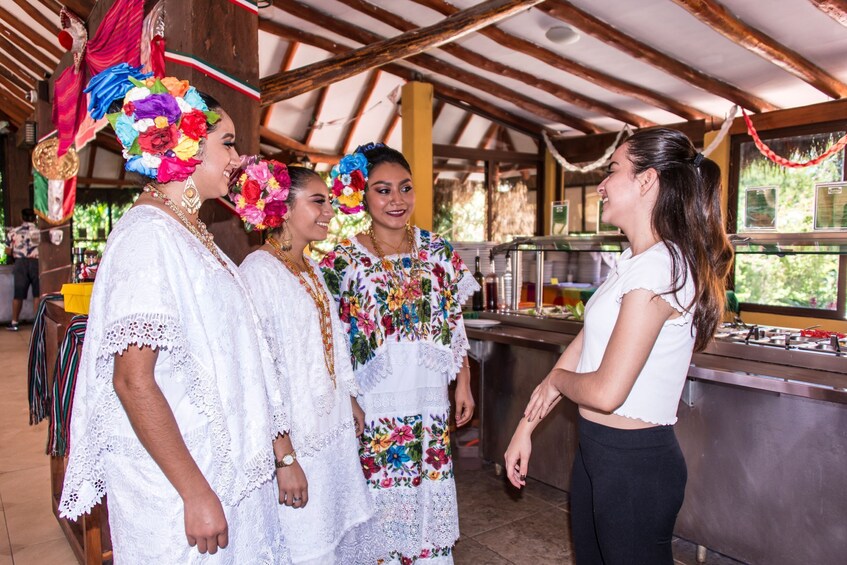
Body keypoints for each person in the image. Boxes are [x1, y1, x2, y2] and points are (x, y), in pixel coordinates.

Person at [59, 65, 289, 563]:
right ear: (186, 145)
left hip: (220, 469)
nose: (237, 158)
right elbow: (133, 381)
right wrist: (195, 492)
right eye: (227, 143)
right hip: (182, 488)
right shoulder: (148, 236)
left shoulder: (190, 232)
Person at [504, 127, 733, 565]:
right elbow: (585, 340)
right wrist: (525, 428)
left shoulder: (661, 269)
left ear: (647, 181)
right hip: (598, 451)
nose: (602, 185)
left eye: (612, 171)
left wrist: (557, 379)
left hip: (635, 467)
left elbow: (608, 392)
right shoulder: (633, 261)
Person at [320, 143, 478, 564]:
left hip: (428, 400)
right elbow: (331, 336)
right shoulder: (342, 261)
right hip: (375, 408)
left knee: (429, 490)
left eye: (405, 189)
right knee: (378, 504)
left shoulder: (438, 252)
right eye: (383, 190)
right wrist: (348, 396)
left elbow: (455, 322)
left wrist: (463, 382)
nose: (397, 200)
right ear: (363, 195)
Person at [233, 157, 385, 564]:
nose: (330, 212)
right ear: (282, 206)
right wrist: (284, 457)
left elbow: (333, 339)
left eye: (329, 202)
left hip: (329, 430)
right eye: (318, 202)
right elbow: (258, 373)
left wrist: (349, 396)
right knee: (305, 547)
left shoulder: (312, 268)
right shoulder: (258, 272)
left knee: (332, 536)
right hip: (296, 439)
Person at [4, 208, 40, 330]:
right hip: (37, 263)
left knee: (18, 294)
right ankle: (37, 323)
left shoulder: (13, 232)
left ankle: (14, 322)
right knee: (38, 293)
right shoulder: (40, 231)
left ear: (21, 217)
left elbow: (8, 250)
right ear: (35, 218)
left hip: (21, 264)